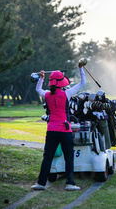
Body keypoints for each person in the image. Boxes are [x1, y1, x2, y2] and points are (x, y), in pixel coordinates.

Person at [32, 60, 87, 191]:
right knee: (69, 157)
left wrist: (41, 78)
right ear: (61, 82)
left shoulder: (46, 94)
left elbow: (38, 89)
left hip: (51, 129)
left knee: (47, 157)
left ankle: (40, 183)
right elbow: (82, 83)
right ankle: (70, 183)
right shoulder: (66, 94)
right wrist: (80, 69)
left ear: (51, 82)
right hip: (65, 129)